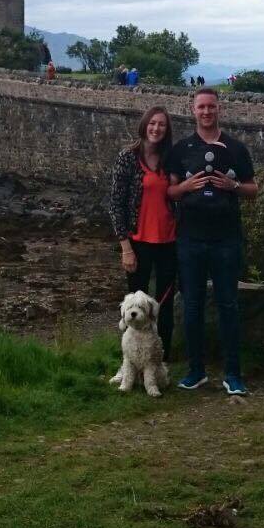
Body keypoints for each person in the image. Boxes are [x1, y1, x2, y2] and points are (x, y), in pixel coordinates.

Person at [167, 88, 258, 395]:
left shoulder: (236, 148)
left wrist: (233, 185)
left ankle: (233, 374)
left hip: (226, 239)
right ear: (193, 110)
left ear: (220, 109)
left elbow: (253, 189)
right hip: (190, 238)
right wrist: (187, 187)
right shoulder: (180, 150)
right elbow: (170, 192)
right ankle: (196, 371)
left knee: (228, 305)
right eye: (201, 107)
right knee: (192, 306)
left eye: (211, 107)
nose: (206, 112)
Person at [108, 105, 178, 361]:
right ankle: (130, 361)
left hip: (169, 242)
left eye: (161, 125)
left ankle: (161, 360)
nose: (156, 129)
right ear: (144, 125)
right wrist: (125, 248)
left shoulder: (171, 159)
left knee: (165, 304)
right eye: (152, 123)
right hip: (138, 243)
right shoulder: (127, 158)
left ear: (167, 130)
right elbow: (116, 204)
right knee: (134, 308)